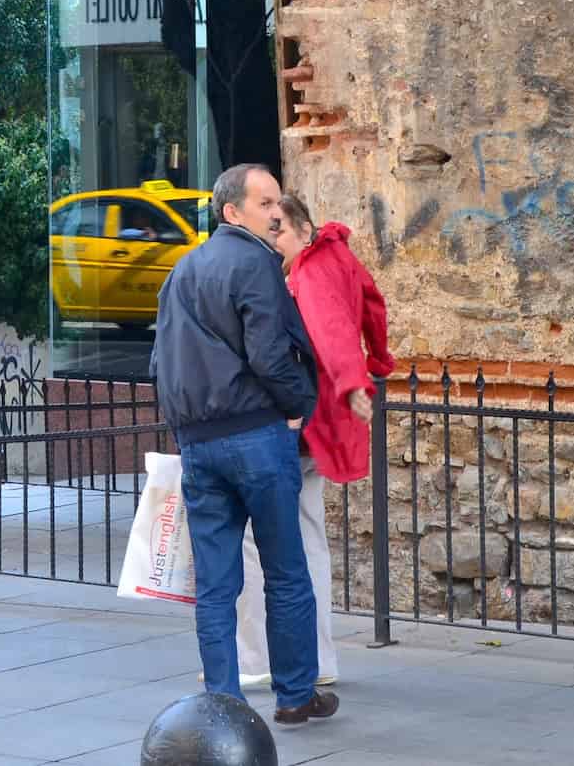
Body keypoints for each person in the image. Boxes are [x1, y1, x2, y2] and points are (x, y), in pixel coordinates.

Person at [151, 163, 338, 726]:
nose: (277, 211)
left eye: (277, 201)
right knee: (285, 570)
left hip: (200, 444)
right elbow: (270, 352)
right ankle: (294, 694)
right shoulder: (256, 262)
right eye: (265, 203)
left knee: (216, 582)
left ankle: (225, 701)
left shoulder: (181, 272)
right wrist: (298, 405)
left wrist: (184, 425)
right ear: (232, 212)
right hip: (256, 434)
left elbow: (158, 362)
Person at [233, 193, 395, 690]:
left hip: (298, 422)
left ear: (304, 230)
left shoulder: (307, 273)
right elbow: (372, 308)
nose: (273, 237)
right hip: (316, 423)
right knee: (308, 541)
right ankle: (319, 658)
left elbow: (331, 334)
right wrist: (380, 361)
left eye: (279, 229)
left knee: (253, 543)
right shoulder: (338, 257)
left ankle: (260, 657)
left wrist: (353, 383)